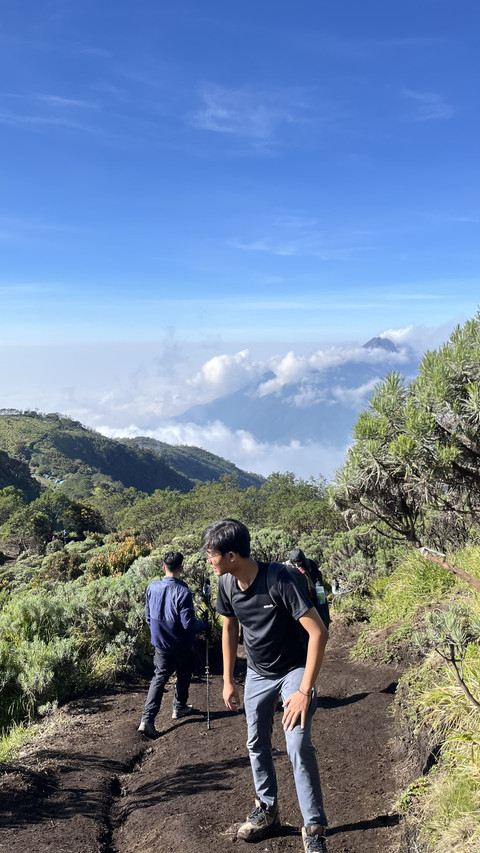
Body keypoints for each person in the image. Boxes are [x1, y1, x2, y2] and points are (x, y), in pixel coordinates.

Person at [202, 519, 330, 853]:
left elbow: (318, 632)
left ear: (232, 555)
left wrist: (303, 691)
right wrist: (229, 680)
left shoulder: (279, 579)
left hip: (293, 671)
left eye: (211, 554)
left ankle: (314, 827)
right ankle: (268, 809)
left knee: (297, 744)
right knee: (255, 741)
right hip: (258, 673)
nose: (208, 561)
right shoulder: (227, 584)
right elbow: (229, 630)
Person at [138, 551, 207, 738]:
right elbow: (189, 625)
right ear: (181, 568)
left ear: (163, 568)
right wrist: (204, 624)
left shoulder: (152, 587)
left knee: (159, 677)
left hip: (160, 643)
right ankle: (179, 706)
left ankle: (147, 720)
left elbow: (148, 617)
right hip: (180, 643)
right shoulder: (183, 592)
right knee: (184, 671)